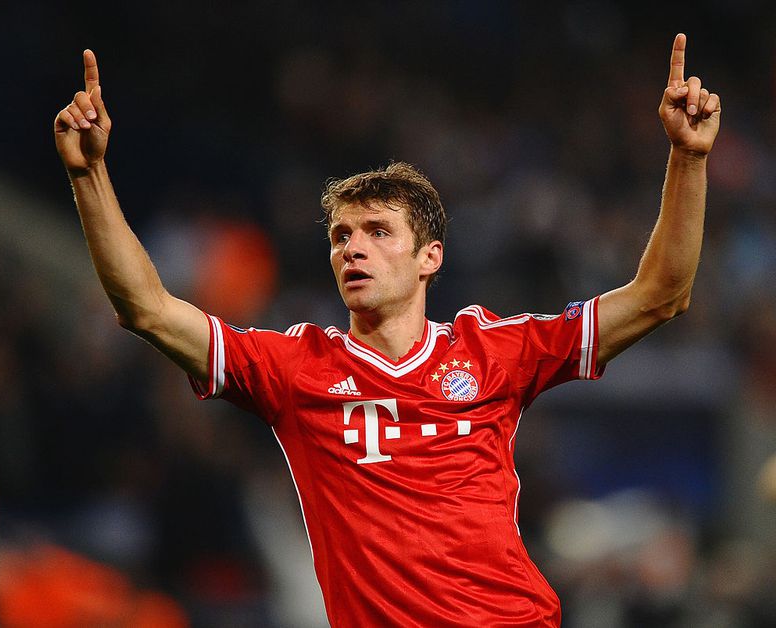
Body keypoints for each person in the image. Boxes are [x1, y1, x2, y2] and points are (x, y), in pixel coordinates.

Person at [55, 33, 720, 627]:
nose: (353, 248)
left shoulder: (495, 349)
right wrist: (89, 176)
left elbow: (660, 296)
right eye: (341, 236)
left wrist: (688, 159)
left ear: (430, 257)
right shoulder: (296, 369)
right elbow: (146, 309)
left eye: (377, 231)